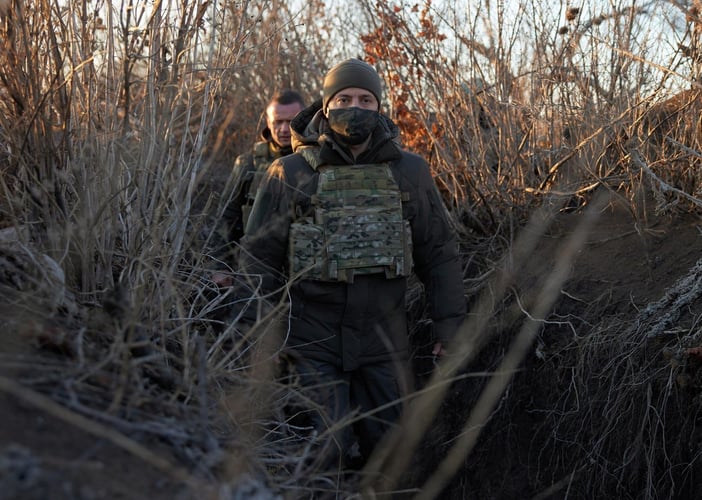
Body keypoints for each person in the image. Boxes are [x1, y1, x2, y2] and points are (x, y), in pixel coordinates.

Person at [235, 59, 466, 474]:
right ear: (326, 106)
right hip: (312, 339)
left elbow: (438, 253)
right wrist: (260, 337)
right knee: (324, 451)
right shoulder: (290, 172)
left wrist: (447, 325)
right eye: (343, 99)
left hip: (384, 340)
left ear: (379, 107)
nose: (354, 108)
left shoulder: (409, 171)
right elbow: (258, 259)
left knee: (392, 453)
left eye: (365, 99)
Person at [212, 89, 305, 288]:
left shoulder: (316, 161)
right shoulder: (249, 163)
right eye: (277, 122)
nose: (284, 129)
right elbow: (227, 216)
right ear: (268, 122)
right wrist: (220, 266)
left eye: (291, 122)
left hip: (304, 273)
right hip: (256, 271)